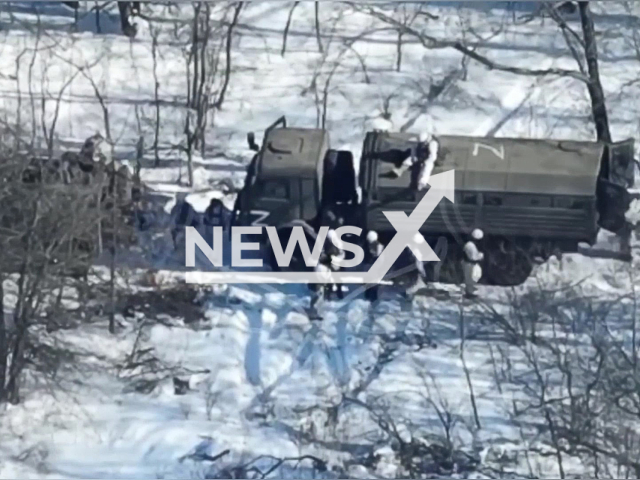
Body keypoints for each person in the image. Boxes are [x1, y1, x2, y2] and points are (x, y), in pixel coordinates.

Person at [462, 229, 484, 298]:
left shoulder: (471, 244)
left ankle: (469, 290)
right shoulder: (470, 246)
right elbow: (473, 257)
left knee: (471, 277)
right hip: (469, 263)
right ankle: (469, 293)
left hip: (469, 263)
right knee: (470, 278)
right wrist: (480, 256)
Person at [364, 230, 384, 302]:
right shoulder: (377, 245)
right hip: (372, 266)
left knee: (372, 283)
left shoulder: (375, 246)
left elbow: (378, 257)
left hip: (373, 266)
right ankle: (371, 296)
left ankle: (371, 297)